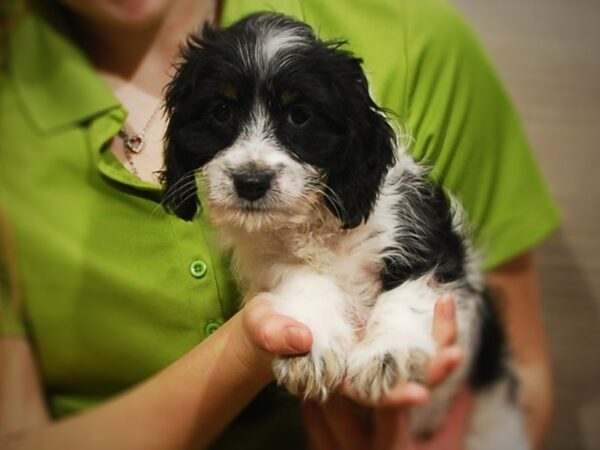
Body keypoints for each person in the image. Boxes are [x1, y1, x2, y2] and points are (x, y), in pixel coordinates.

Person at [0, 0, 560, 449]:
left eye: (296, 117)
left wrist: (399, 332)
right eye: (222, 114)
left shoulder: (415, 39)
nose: (252, 164)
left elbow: (502, 351)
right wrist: (256, 344)